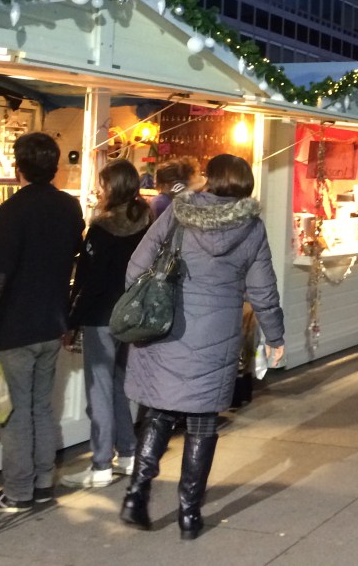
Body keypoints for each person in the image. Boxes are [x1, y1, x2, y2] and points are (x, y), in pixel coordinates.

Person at [121, 153, 285, 540]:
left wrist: (144, 303)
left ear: (210, 180)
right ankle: (189, 514)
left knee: (158, 412)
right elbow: (262, 289)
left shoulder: (179, 212)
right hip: (216, 335)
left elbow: (137, 264)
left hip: (168, 328)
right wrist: (275, 336)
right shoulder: (252, 227)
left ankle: (136, 496)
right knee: (202, 422)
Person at [0, 133, 85, 513]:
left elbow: (0, 273)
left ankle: (18, 490)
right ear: (53, 167)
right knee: (39, 407)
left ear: (18, 166)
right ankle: (40, 482)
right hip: (52, 320)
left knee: (17, 412)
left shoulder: (11, 211)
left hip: (16, 324)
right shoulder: (69, 208)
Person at [60, 160, 152, 488]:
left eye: (103, 184)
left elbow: (87, 279)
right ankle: (127, 454)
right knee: (118, 385)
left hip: (101, 316)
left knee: (99, 389)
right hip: (133, 315)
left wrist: (72, 320)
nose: (99, 190)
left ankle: (101, 464)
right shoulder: (147, 222)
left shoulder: (101, 227)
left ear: (112, 187)